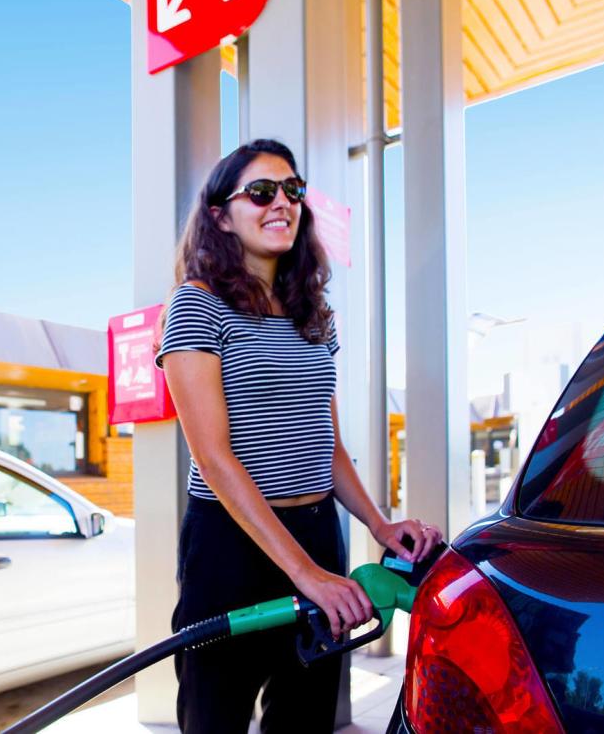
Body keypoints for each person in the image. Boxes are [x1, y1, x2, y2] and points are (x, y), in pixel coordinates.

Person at [154, 138, 443, 733]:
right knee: (215, 718)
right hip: (231, 547)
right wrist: (305, 575)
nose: (280, 202)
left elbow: (327, 446)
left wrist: (379, 524)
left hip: (316, 530)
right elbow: (213, 457)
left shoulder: (310, 313)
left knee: (306, 719)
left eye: (292, 190)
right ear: (220, 215)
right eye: (260, 192)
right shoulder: (196, 306)